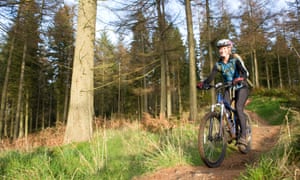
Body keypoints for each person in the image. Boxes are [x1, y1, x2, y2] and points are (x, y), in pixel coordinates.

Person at [197, 39, 250, 150]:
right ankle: (230, 130)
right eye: (220, 49)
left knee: (238, 108)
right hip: (228, 86)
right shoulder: (218, 64)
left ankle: (244, 137)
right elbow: (211, 77)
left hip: (241, 86)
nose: (222, 50)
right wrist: (203, 84)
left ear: (229, 49)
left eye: (224, 48)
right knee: (224, 107)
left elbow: (245, 72)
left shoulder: (235, 60)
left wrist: (240, 78)